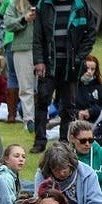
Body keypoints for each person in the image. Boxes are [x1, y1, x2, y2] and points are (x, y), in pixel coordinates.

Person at [32, 0, 98, 153]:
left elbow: (91, 33)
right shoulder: (44, 4)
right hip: (48, 64)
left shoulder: (81, 5)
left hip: (72, 66)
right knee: (42, 101)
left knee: (68, 106)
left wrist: (80, 57)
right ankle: (40, 141)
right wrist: (39, 61)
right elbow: (37, 36)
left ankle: (64, 142)